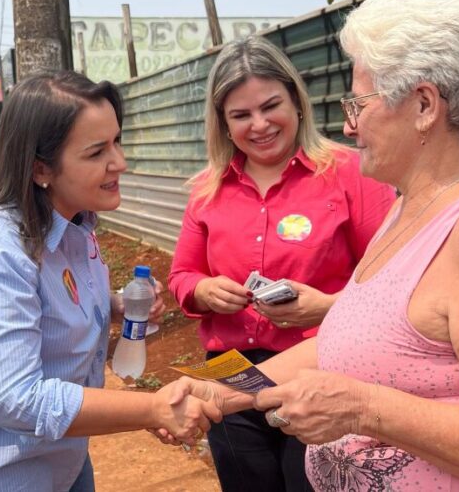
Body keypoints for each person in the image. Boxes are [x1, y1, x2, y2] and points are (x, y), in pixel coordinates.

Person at [169, 0, 459, 491]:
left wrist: (364, 409)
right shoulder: (408, 211)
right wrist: (222, 390)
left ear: (423, 106)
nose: (349, 128)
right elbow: (344, 343)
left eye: (358, 104)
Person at [0, 71, 221, 492]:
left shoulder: (78, 227)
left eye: (117, 141)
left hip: (61, 461)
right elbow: (16, 398)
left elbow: (49, 302)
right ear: (41, 169)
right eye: (96, 152)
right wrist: (150, 409)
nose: (120, 162)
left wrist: (113, 306)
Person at [168, 36, 395, 491]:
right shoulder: (206, 191)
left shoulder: (350, 173)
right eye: (240, 115)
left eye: (271, 105)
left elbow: (392, 283)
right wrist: (204, 291)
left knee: (309, 482)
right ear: (222, 124)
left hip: (322, 369)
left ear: (297, 100)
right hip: (229, 370)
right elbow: (181, 277)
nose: (260, 124)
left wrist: (327, 306)